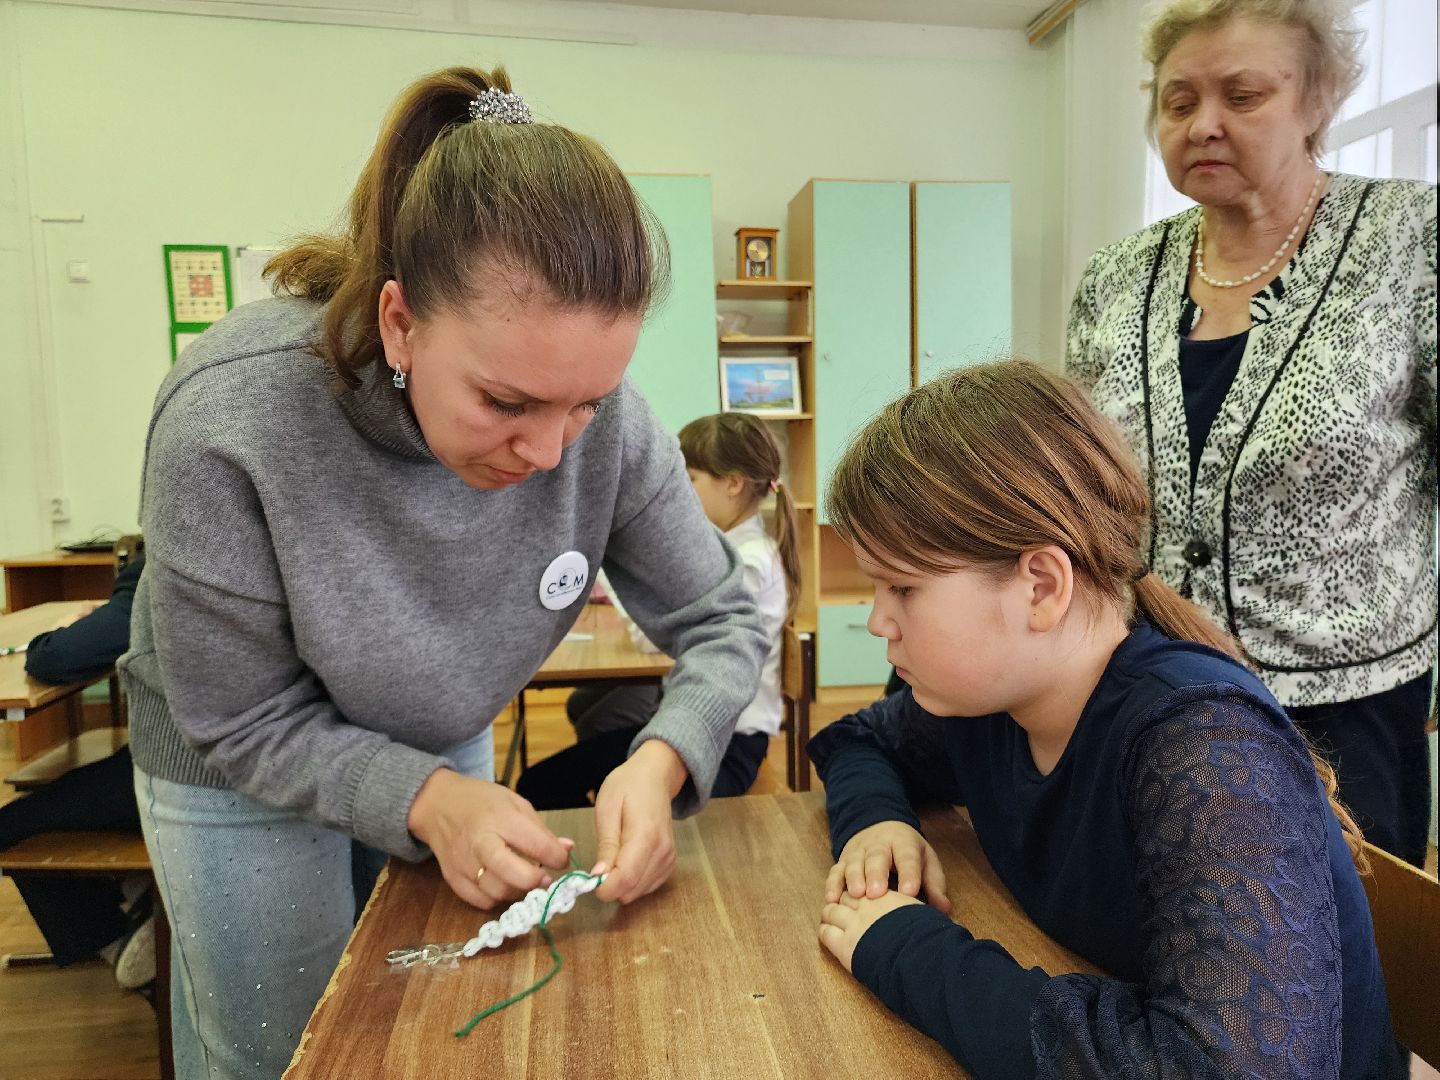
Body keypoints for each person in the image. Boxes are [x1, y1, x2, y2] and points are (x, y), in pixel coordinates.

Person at [120, 67, 767, 1080]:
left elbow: (726, 619)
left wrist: (661, 757)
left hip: (431, 725)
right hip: (237, 753)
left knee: (440, 1011)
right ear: (399, 324)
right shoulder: (229, 418)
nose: (551, 452)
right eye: (507, 402)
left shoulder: (612, 432)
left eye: (586, 402)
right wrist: (423, 798)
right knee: (279, 1047)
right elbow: (240, 719)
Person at [809, 361, 1405, 1079]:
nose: (878, 622)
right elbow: (858, 738)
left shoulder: (1201, 747)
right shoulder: (993, 700)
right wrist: (879, 819)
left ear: (1041, 586)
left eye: (902, 587)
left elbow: (1222, 1069)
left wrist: (909, 950)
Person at [1065, 0, 1437, 867]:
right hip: (1156, 688)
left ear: (1319, 101)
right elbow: (1081, 486)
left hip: (1347, 709)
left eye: (1243, 94)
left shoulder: (1413, 243)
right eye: (1180, 100)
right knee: (1178, 944)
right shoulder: (1114, 279)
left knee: (1344, 963)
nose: (1206, 125)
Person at [518, 411, 801, 807]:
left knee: (541, 784)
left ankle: (600, 850)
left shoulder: (748, 561)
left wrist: (619, 572)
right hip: (713, 731)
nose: (680, 492)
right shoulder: (734, 550)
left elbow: (656, 642)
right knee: (583, 725)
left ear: (733, 484)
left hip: (726, 746)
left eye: (691, 479)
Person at [0, 552, 153, 989]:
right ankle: (139, 895)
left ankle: (124, 952)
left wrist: (69, 630)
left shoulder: (162, 562)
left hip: (182, 774)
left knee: (14, 825)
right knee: (70, 788)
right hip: (257, 758)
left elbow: (55, 659)